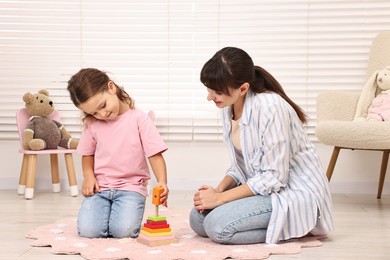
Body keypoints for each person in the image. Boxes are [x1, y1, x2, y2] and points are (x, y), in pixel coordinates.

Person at [189, 47, 333, 245]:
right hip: (262, 187)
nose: (209, 97)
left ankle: (300, 227)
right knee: (197, 219)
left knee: (216, 226)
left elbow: (275, 177)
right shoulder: (227, 106)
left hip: (290, 191)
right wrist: (217, 191)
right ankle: (277, 225)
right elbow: (241, 166)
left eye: (217, 92)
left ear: (243, 88)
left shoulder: (270, 107)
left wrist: (220, 200)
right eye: (209, 89)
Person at [67, 68, 169, 238]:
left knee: (124, 231)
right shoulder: (92, 124)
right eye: (94, 112)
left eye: (102, 106)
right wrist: (88, 176)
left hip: (131, 188)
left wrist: (162, 182)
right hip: (100, 188)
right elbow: (87, 155)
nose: (102, 114)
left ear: (111, 87)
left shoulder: (139, 119)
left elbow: (155, 154)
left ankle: (115, 219)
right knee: (88, 231)